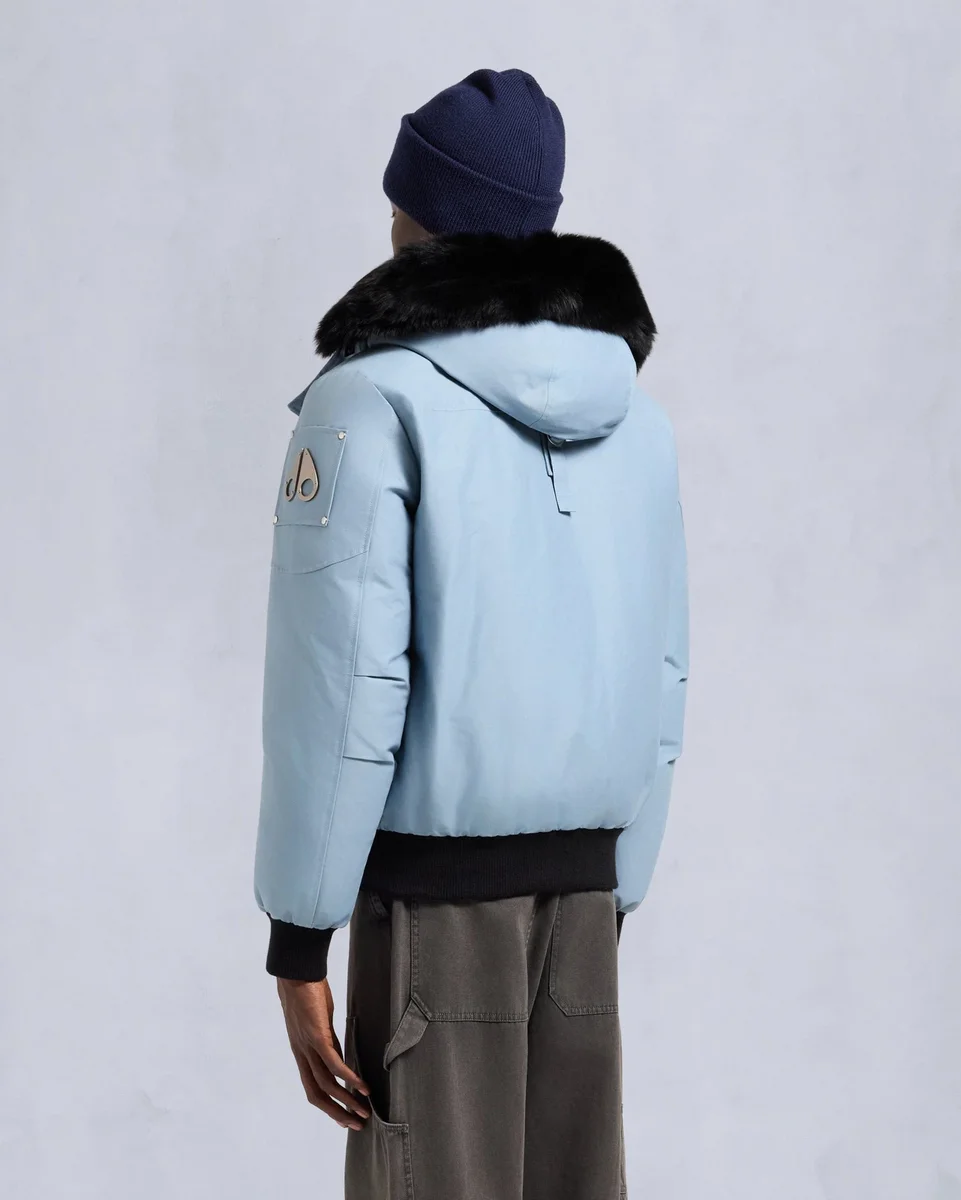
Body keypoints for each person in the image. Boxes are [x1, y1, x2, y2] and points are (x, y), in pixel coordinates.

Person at [253, 66, 689, 1200]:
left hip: (434, 912)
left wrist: (300, 936)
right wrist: (617, 885)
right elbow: (663, 670)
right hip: (585, 904)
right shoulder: (637, 421)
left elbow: (341, 687)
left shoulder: (368, 401)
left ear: (420, 212)